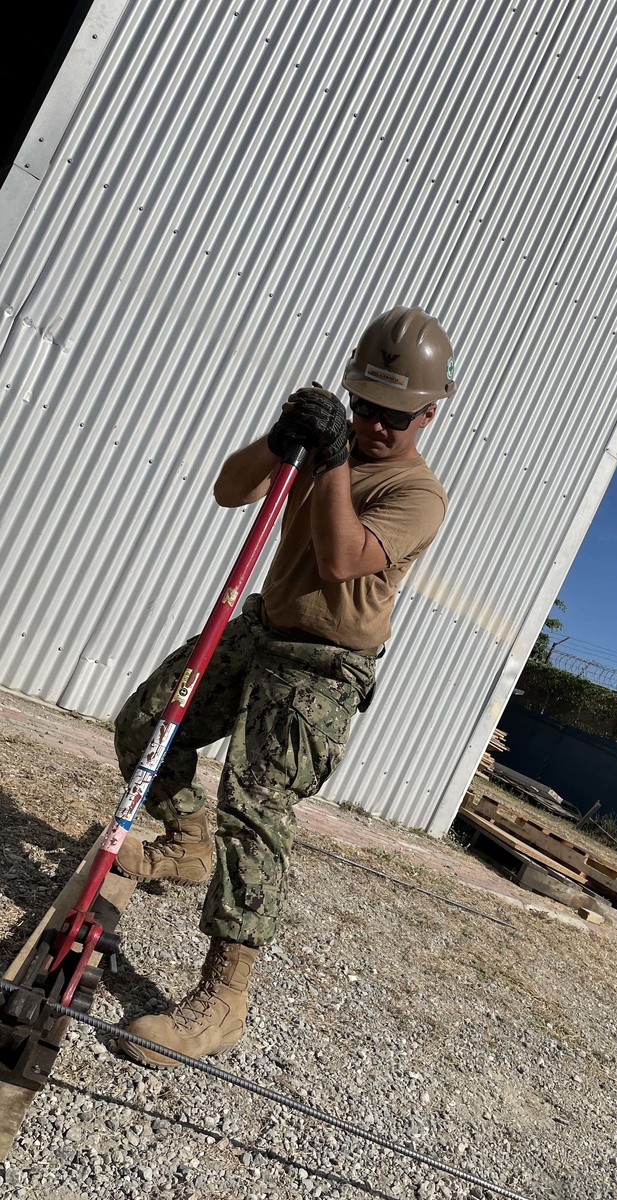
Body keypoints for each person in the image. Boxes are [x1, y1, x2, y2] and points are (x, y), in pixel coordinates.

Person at [112, 306, 456, 1067]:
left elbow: (340, 559)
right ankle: (184, 845)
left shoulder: (417, 492)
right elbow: (228, 490)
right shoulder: (323, 447)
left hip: (323, 665)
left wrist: (331, 458)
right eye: (362, 405)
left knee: (256, 801)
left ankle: (224, 998)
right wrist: (279, 439)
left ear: (430, 412)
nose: (373, 425)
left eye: (393, 416)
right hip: (263, 626)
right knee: (146, 723)